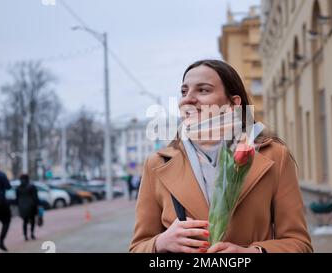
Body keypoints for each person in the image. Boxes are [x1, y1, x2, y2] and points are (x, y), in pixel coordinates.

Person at [129, 60, 313, 253]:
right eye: (184, 91)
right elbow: (137, 248)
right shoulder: (157, 164)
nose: (187, 99)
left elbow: (300, 244)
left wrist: (251, 253)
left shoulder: (274, 156)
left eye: (203, 90)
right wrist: (160, 244)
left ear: (233, 103)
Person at [16, 174, 39, 241]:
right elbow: (35, 197)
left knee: (25, 221)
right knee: (32, 220)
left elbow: (17, 198)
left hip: (22, 207)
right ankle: (32, 234)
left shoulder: (18, 188)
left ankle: (25, 235)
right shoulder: (32, 186)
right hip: (31, 206)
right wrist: (37, 205)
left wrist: (19, 206)